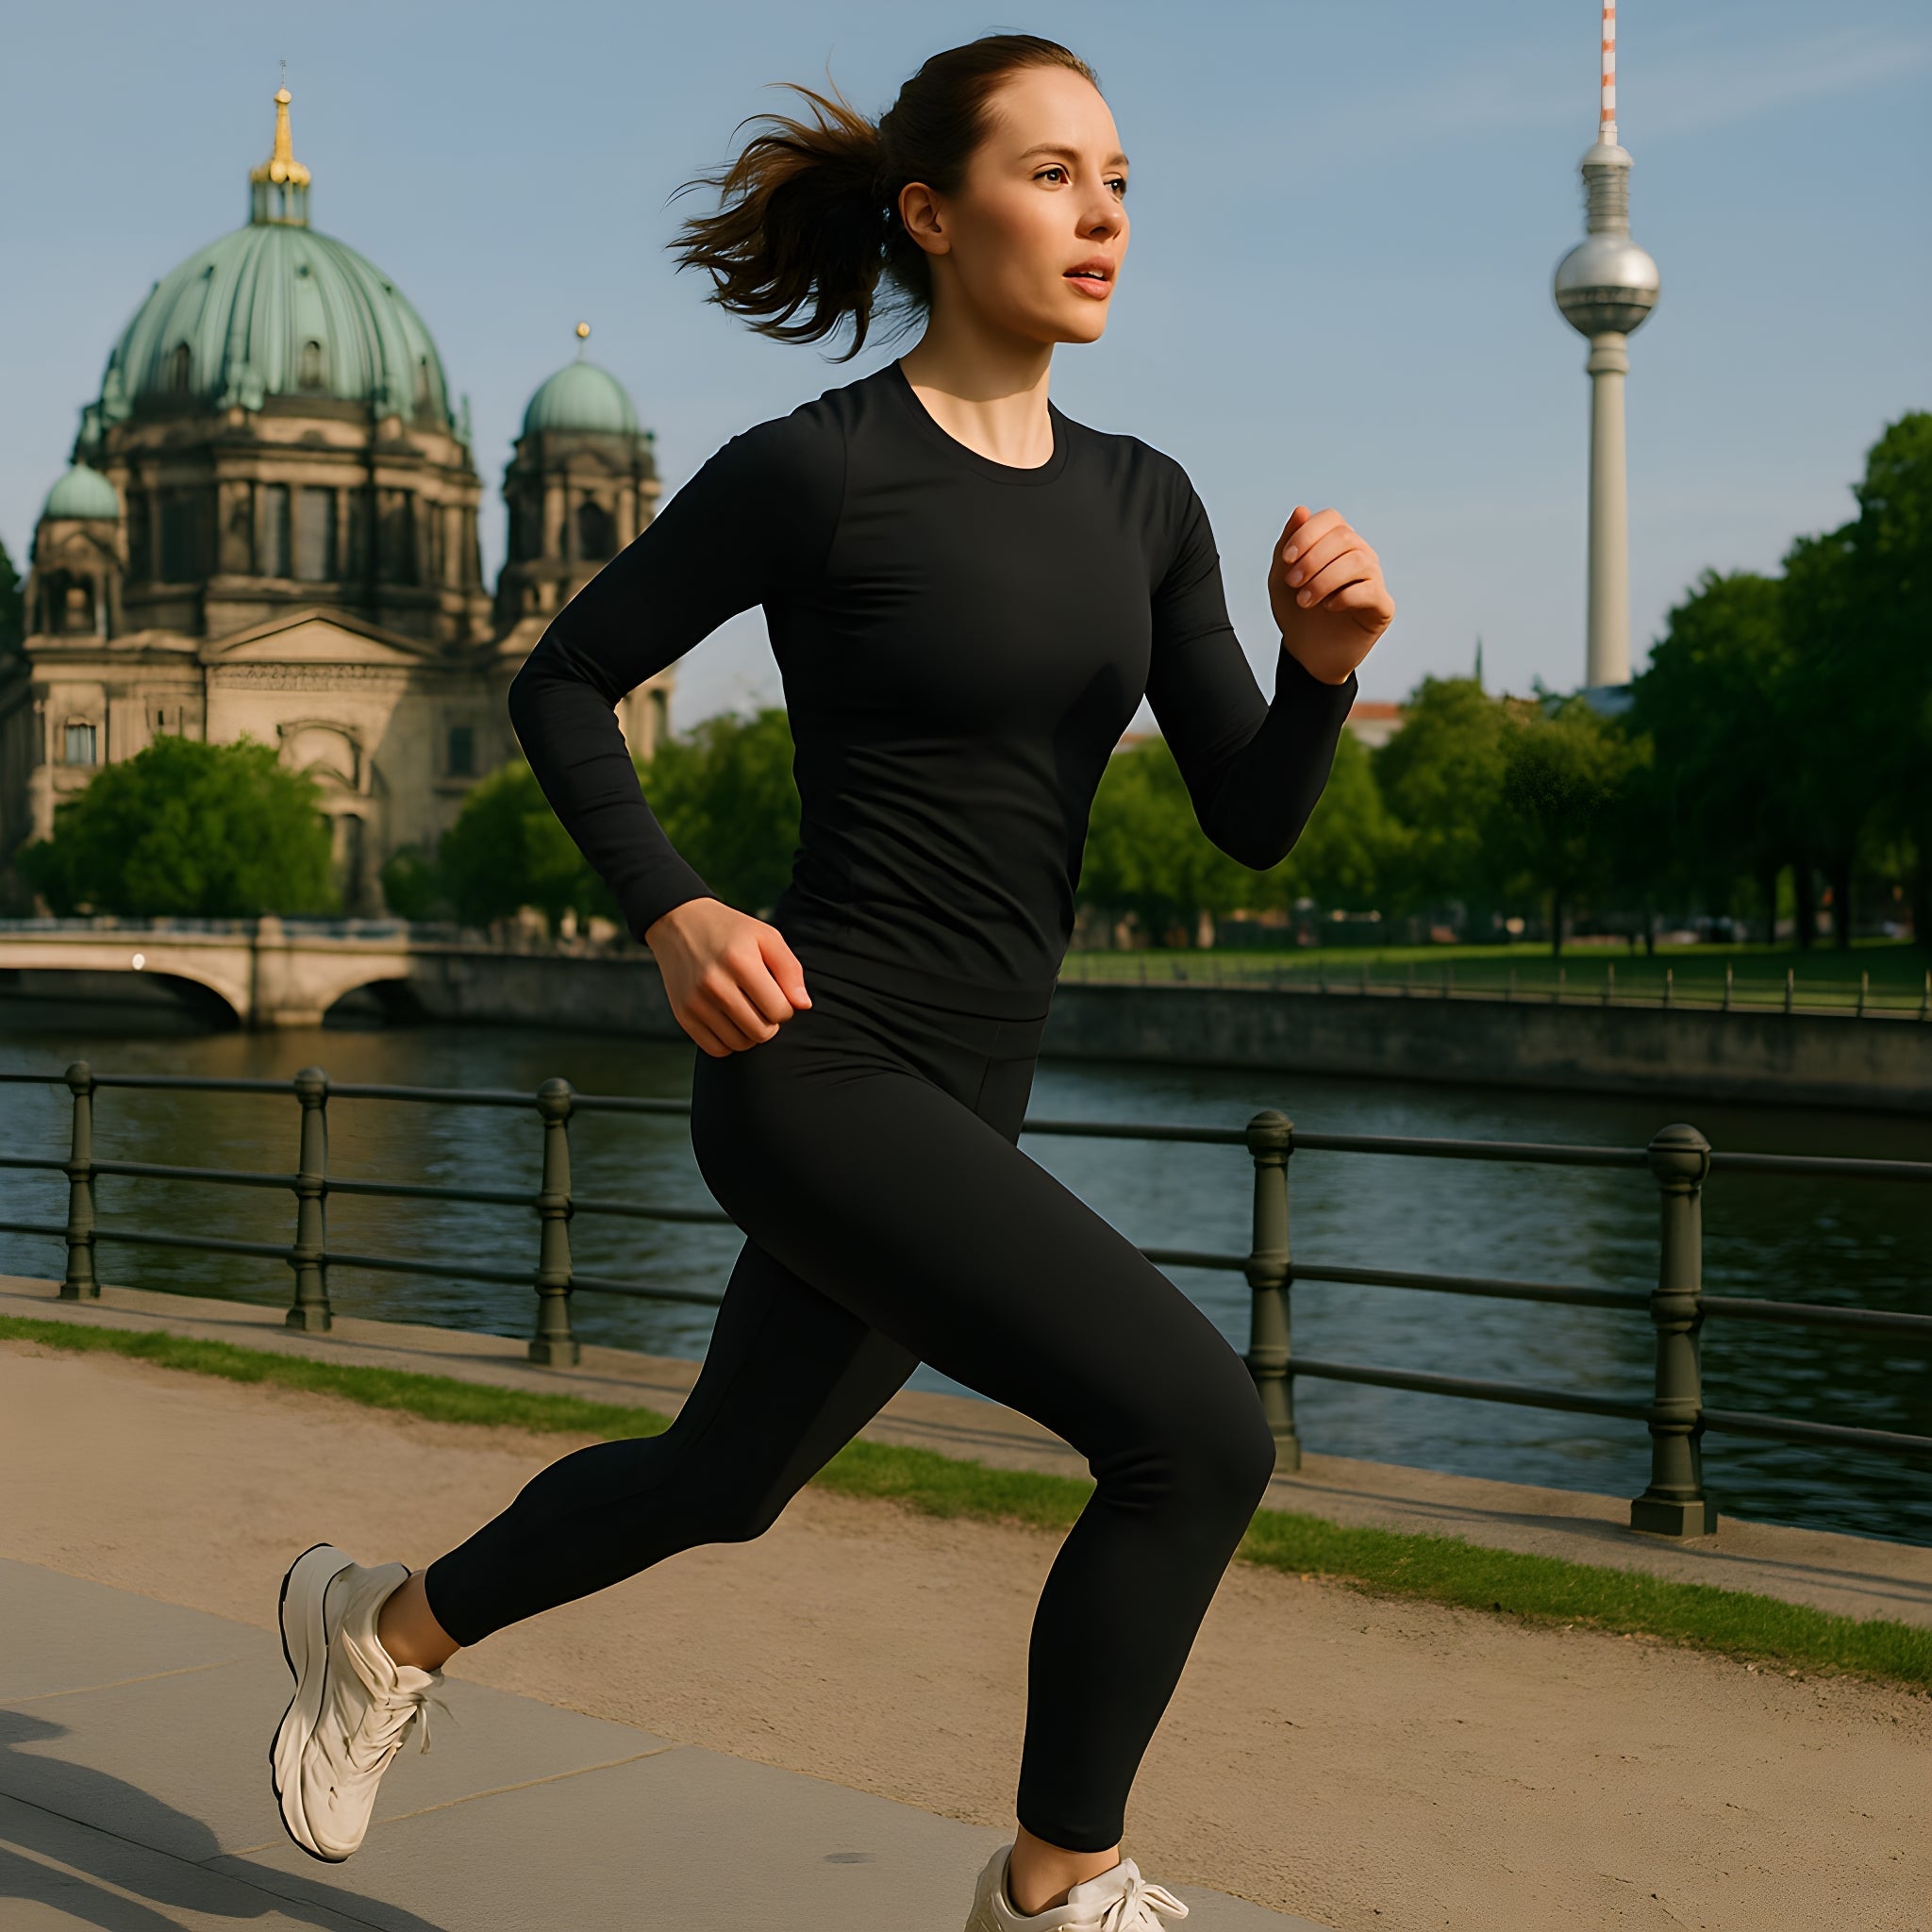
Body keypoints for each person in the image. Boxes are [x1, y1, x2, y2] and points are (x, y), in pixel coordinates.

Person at [268, 31, 1391, 1931]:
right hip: (812, 1065)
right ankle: (1060, 1883)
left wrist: (1319, 670)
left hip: (968, 1085)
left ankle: (375, 1632)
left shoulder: (1148, 504)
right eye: (1052, 174)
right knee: (1195, 1431)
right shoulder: (818, 469)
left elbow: (1251, 822)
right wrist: (674, 909)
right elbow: (560, 676)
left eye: (1117, 176)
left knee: (724, 1477)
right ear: (933, 216)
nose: (1101, 209)